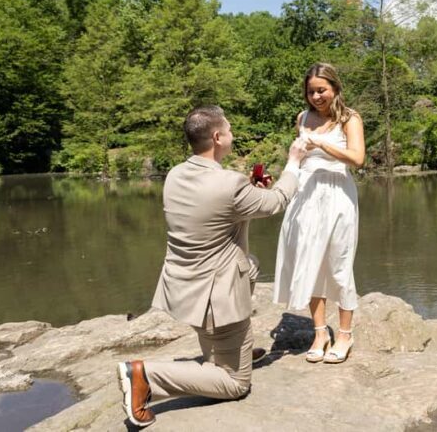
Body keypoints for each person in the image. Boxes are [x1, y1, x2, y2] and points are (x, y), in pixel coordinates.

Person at [116, 106, 307, 427]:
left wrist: (249, 191)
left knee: (248, 274)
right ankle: (144, 376)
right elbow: (276, 202)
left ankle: (231, 355)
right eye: (230, 131)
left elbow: (214, 216)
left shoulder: (176, 175)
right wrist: (294, 163)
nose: (233, 136)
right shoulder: (228, 184)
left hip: (183, 286)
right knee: (236, 384)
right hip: (216, 295)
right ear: (218, 138)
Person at [273, 62, 365, 365]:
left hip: (337, 195)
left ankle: (345, 334)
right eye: (311, 91)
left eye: (322, 90)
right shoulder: (302, 118)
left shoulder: (350, 118)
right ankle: (320, 332)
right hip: (306, 196)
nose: (316, 96)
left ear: (335, 89)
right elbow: (298, 159)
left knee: (339, 265)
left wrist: (322, 143)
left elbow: (357, 159)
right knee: (310, 262)